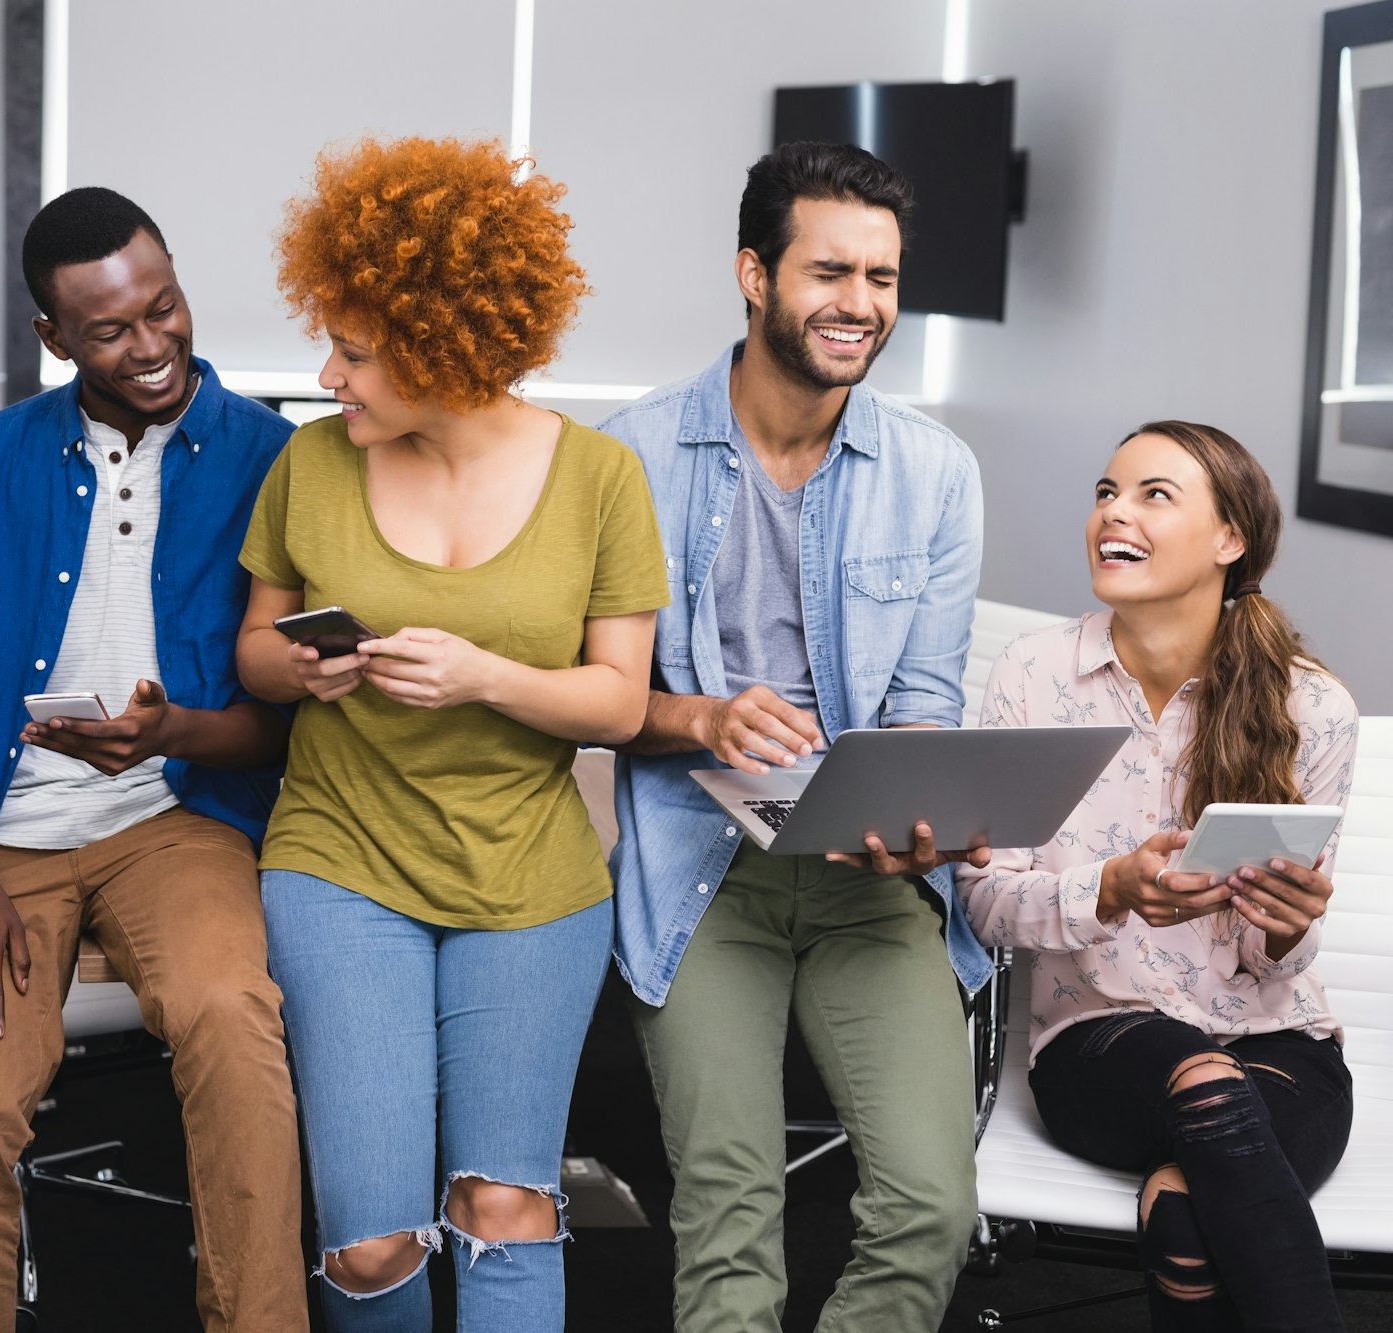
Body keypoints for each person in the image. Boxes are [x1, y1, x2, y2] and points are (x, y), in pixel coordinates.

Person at [236, 135, 668, 1331]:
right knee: (371, 1243)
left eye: (358, 353)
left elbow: (620, 704)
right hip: (341, 864)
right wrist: (302, 672)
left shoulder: (600, 479)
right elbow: (254, 653)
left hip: (530, 880)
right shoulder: (307, 465)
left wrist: (483, 675)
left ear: (447, 346)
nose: (330, 375)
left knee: (503, 1205)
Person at [599, 141, 991, 1332]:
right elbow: (590, 691)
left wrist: (920, 820)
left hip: (865, 874)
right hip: (700, 868)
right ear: (752, 274)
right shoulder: (625, 455)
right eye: (830, 272)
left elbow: (925, 698)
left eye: (879, 278)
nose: (859, 305)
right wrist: (700, 716)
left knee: (930, 1206)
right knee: (725, 1213)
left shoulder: (933, 473)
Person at [0, 186, 304, 1333]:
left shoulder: (274, 460)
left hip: (174, 815)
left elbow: (283, 722)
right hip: (9, 833)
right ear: (52, 338)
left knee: (230, 1018)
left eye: (163, 307)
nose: (150, 345)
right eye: (109, 330)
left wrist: (167, 730)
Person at [959, 421, 1358, 1330]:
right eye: (1106, 492)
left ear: (1230, 540)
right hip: (1099, 1045)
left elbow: (1282, 967)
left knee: (1182, 1209)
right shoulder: (1033, 674)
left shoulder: (1313, 705)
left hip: (1282, 1046)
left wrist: (1289, 925)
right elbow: (982, 901)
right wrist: (1109, 891)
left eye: (1152, 495)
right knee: (1202, 1082)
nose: (1113, 514)